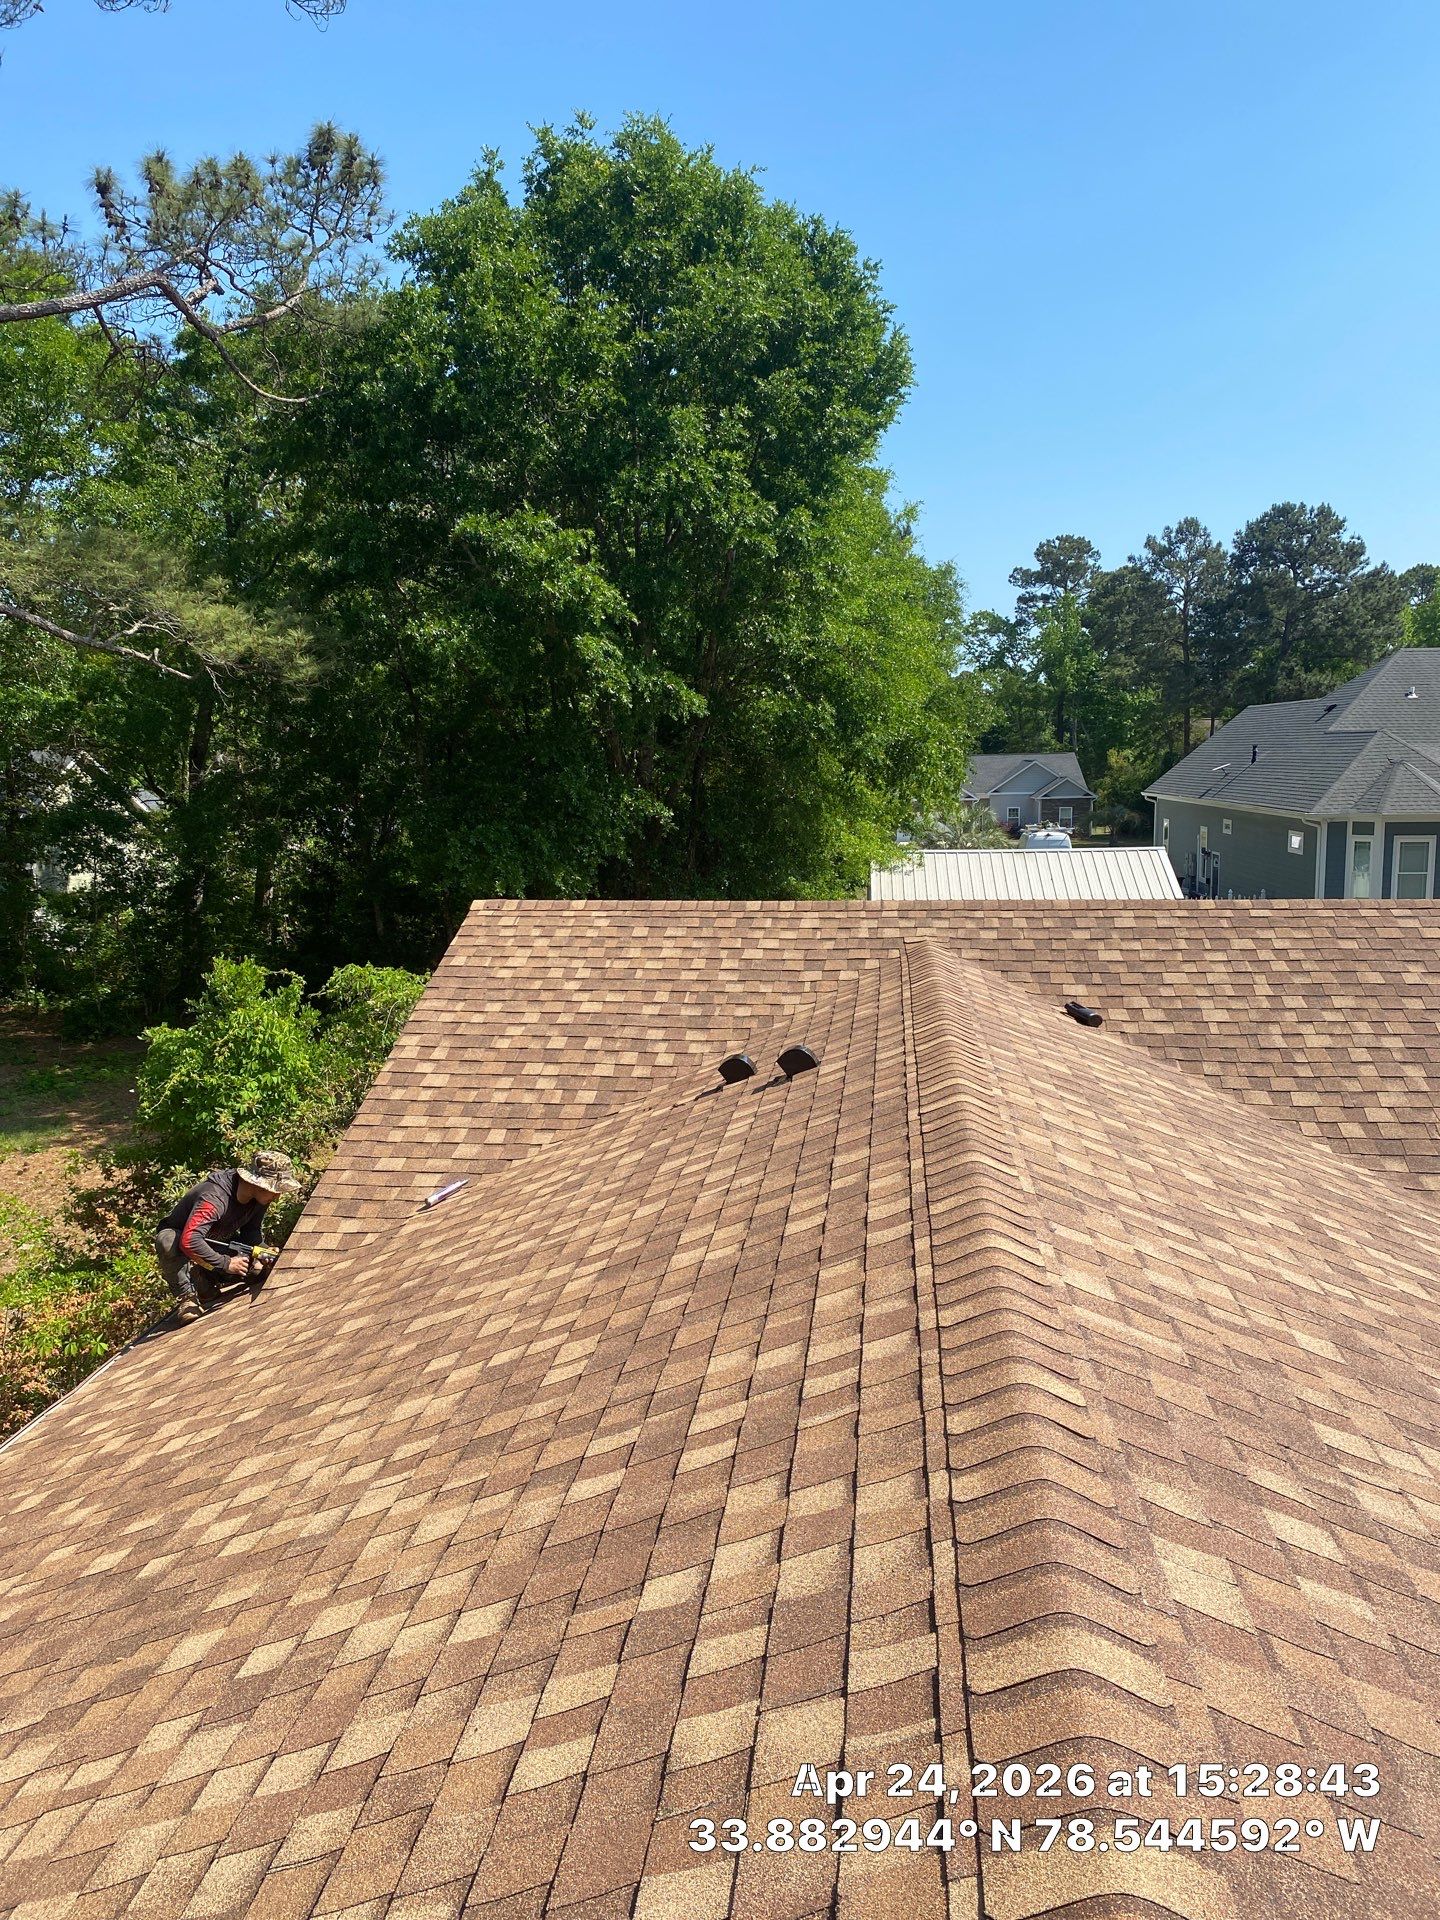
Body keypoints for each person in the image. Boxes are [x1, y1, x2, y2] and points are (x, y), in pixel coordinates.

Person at [155, 1150, 301, 1322]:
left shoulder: (259, 1198)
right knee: (167, 1240)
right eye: (274, 1190)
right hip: (185, 1251)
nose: (277, 1196)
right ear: (257, 1184)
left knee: (257, 1272)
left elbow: (251, 1233)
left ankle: (203, 1278)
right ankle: (187, 1297)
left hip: (215, 1247)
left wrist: (266, 1253)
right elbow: (189, 1240)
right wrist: (226, 1263)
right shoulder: (214, 1198)